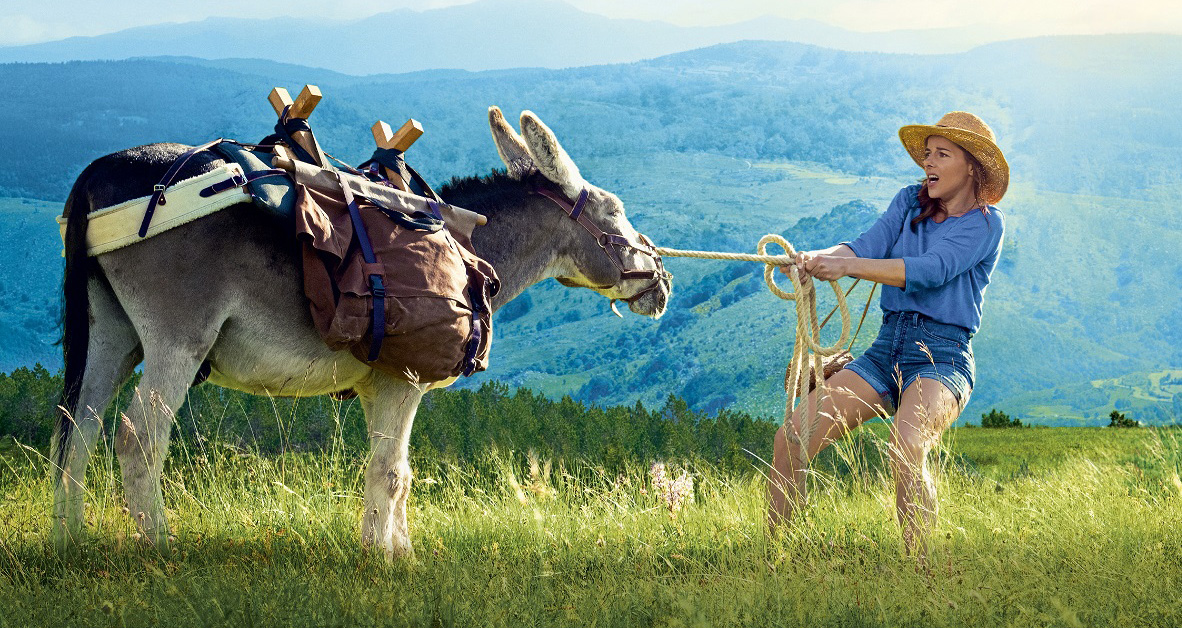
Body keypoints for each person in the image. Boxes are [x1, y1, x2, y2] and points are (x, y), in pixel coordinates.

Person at [767, 111, 1008, 554]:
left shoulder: (987, 224)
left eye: (941, 154)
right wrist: (816, 258)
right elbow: (865, 245)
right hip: (886, 347)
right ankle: (780, 562)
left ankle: (922, 570)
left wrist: (845, 266)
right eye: (926, 154)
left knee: (907, 441)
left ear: (971, 166)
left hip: (943, 356)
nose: (927, 163)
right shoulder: (906, 202)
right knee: (792, 437)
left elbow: (931, 271)